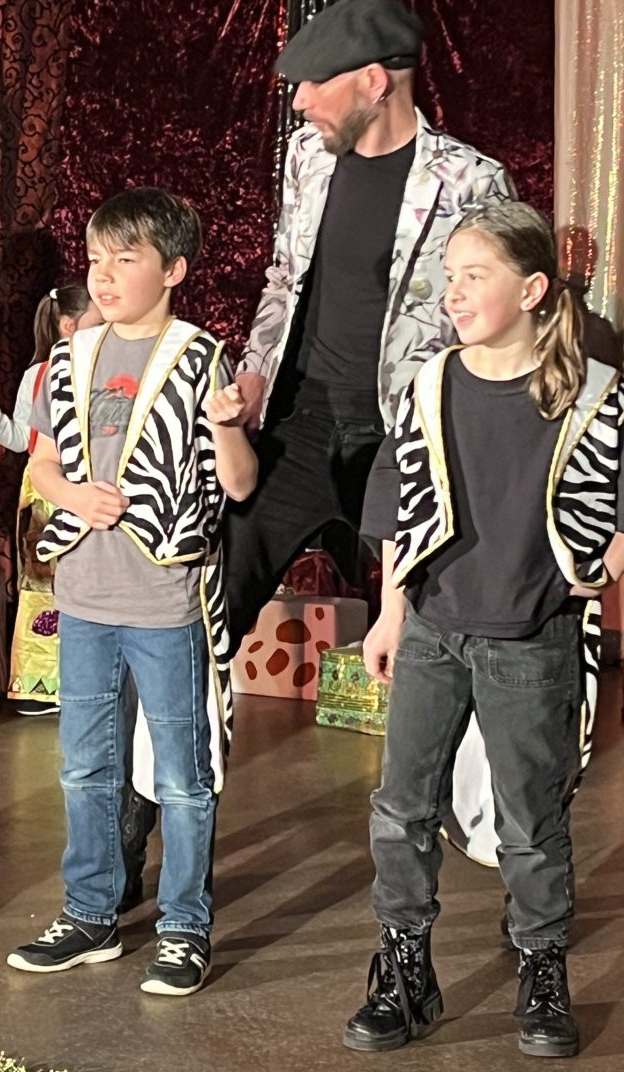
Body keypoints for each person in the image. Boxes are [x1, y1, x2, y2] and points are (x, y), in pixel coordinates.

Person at [345, 201, 624, 1058]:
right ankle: (404, 971)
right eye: (449, 277)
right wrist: (391, 612)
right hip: (434, 628)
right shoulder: (432, 383)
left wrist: (606, 561)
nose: (454, 293)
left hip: (531, 639)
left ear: (532, 289)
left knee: (529, 820)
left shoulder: (590, 393)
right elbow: (402, 502)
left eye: (475, 276)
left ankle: (542, 968)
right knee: (401, 808)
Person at [6, 187, 257, 996]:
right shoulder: (72, 356)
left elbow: (239, 484)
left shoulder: (200, 358)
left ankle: (185, 927)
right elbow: (44, 464)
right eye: (95, 259)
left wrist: (225, 426)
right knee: (84, 767)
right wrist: (73, 497)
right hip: (84, 595)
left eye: (125, 258)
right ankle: (90, 914)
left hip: (163, 602)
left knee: (183, 775)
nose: (104, 275)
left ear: (173, 270)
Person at [225, 0, 516, 653]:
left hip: (402, 429)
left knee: (431, 617)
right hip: (301, 416)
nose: (300, 101)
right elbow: (284, 276)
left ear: (374, 81)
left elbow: (495, 328)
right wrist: (254, 370)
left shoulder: (470, 183)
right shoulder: (307, 156)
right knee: (221, 588)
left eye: (314, 83)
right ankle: (178, 720)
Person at [0, 283, 102, 716]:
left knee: (85, 581)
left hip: (88, 486)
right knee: (41, 583)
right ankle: (38, 685)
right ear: (68, 326)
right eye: (95, 320)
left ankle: (84, 679)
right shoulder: (41, 374)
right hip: (46, 490)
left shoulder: (105, 367)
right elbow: (21, 439)